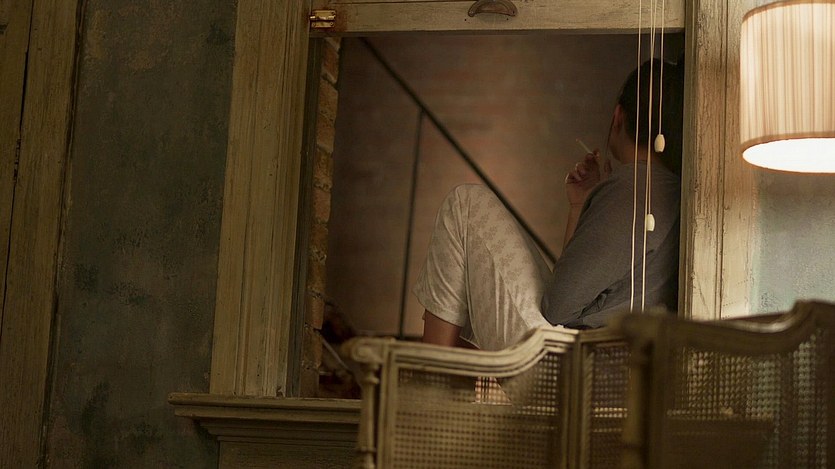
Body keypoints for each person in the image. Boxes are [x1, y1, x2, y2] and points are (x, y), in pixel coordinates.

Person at [415, 58, 685, 350]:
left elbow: (557, 309)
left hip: (574, 365)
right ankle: (441, 365)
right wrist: (580, 205)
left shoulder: (632, 187)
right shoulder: (671, 191)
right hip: (598, 362)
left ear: (618, 116)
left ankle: (432, 370)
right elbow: (569, 297)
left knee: (465, 204)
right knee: (460, 285)